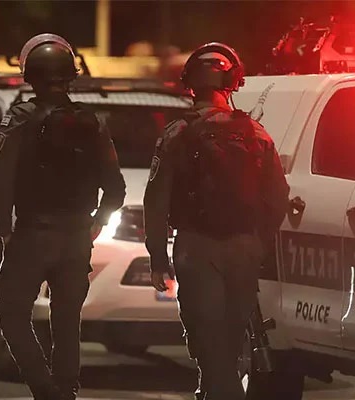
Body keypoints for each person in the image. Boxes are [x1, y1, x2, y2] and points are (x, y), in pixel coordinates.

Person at [143, 42, 290, 400]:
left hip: (196, 248)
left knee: (208, 343)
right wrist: (259, 243)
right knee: (230, 342)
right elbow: (279, 195)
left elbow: (156, 199)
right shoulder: (256, 132)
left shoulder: (177, 133)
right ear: (233, 82)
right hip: (244, 248)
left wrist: (158, 258)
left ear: (191, 83)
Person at [0, 33, 126, 400]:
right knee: (67, 320)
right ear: (70, 75)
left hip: (32, 233)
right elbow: (116, 188)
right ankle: (66, 391)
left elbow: (2, 180)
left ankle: (45, 389)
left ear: (30, 75)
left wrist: (4, 228)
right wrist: (97, 222)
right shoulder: (93, 122)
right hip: (77, 236)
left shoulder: (19, 118)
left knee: (10, 312)